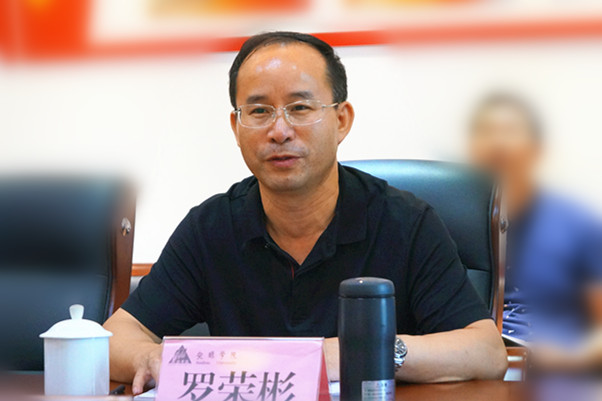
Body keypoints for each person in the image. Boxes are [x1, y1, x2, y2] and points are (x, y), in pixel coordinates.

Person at [104, 32, 507, 394]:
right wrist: (147, 357)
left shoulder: (406, 222)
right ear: (236, 127)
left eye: (299, 107)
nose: (279, 131)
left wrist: (359, 352)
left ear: (341, 120)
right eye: (259, 111)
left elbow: (485, 351)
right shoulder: (211, 228)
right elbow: (117, 336)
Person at [468, 92, 602, 370]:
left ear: (537, 148)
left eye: (510, 131)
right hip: (472, 366)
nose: (497, 144)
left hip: (558, 368)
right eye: (486, 131)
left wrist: (571, 358)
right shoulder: (446, 224)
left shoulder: (577, 223)